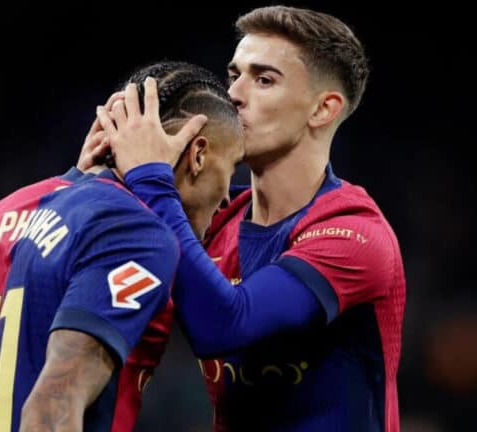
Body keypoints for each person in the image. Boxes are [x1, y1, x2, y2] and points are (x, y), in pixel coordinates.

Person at [0, 61, 243, 432]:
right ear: (198, 155)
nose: (228, 198)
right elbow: (50, 412)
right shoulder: (137, 231)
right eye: (232, 167)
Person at [98, 6, 406, 432]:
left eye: (264, 80)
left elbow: (224, 324)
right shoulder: (214, 222)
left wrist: (150, 177)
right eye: (234, 75)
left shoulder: (356, 234)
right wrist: (92, 182)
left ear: (323, 109)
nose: (234, 95)